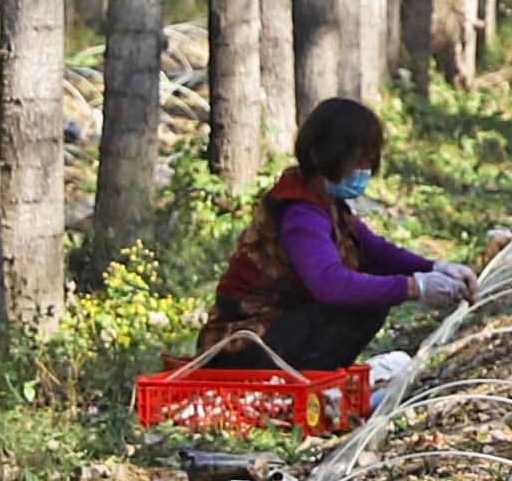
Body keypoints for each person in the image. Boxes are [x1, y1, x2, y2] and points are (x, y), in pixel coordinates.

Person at [195, 98, 470, 373]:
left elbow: (374, 249)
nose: (362, 169)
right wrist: (414, 287)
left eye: (368, 160)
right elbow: (328, 283)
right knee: (360, 304)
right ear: (324, 155)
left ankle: (313, 382)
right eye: (356, 160)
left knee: (371, 290)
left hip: (273, 334)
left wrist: (435, 267)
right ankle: (299, 385)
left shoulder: (328, 204)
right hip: (243, 346)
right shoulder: (300, 212)